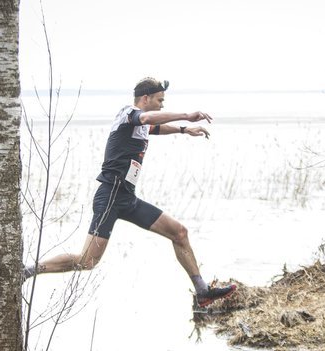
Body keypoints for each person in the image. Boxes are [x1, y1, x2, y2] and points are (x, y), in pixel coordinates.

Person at [24, 77, 236, 307]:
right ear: (145, 99)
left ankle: (202, 290)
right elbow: (146, 118)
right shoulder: (129, 113)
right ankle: (29, 270)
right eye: (159, 100)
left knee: (180, 233)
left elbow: (154, 127)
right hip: (109, 197)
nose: (162, 105)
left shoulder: (140, 125)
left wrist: (184, 130)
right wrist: (186, 115)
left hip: (127, 199)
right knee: (86, 261)